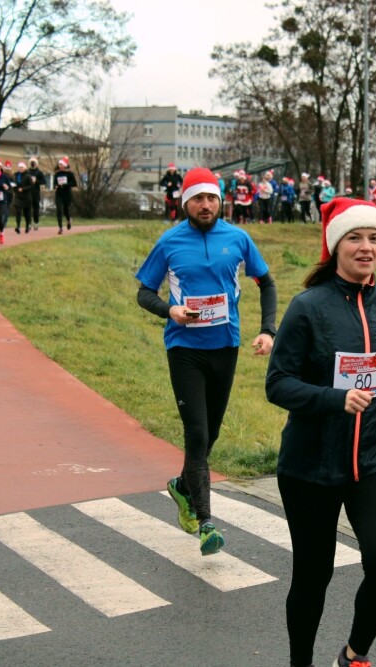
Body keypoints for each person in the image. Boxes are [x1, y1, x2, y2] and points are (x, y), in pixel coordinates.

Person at [265, 198, 376, 667]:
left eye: (374, 238)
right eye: (355, 238)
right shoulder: (307, 307)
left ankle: (354, 655)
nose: (366, 247)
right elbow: (277, 384)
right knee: (313, 577)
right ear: (336, 245)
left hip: (374, 460)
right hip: (311, 466)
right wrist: (334, 399)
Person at [135, 167, 277, 556]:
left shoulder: (238, 237)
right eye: (198, 198)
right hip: (184, 349)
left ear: (220, 201)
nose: (206, 204)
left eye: (212, 198)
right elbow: (144, 293)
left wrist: (268, 330)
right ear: (185, 203)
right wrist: (170, 310)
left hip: (225, 346)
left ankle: (183, 486)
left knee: (210, 434)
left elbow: (267, 283)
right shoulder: (169, 242)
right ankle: (206, 523)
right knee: (196, 434)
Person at [53, 157, 77, 234]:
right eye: (59, 164)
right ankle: (60, 228)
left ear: (65, 165)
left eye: (61, 164)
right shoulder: (57, 174)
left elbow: (74, 184)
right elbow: (54, 183)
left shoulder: (69, 174)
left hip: (67, 194)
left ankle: (69, 219)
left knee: (65, 210)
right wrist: (55, 186)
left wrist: (65, 184)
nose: (60, 166)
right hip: (59, 194)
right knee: (59, 210)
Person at [11, 161, 33, 234]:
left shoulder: (28, 176)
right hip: (18, 197)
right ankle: (18, 226)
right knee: (18, 212)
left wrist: (23, 189)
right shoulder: (16, 175)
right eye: (19, 167)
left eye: (22, 167)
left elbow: (31, 186)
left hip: (26, 197)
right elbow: (13, 184)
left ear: (24, 168)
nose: (20, 169)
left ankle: (27, 226)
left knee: (27, 213)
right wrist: (15, 189)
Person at [25, 157, 46, 231]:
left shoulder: (39, 172)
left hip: (36, 193)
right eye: (31, 162)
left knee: (36, 208)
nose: (32, 164)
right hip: (27, 193)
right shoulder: (27, 172)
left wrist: (37, 181)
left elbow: (44, 181)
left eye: (34, 162)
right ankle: (29, 223)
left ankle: (36, 222)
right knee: (28, 209)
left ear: (36, 164)